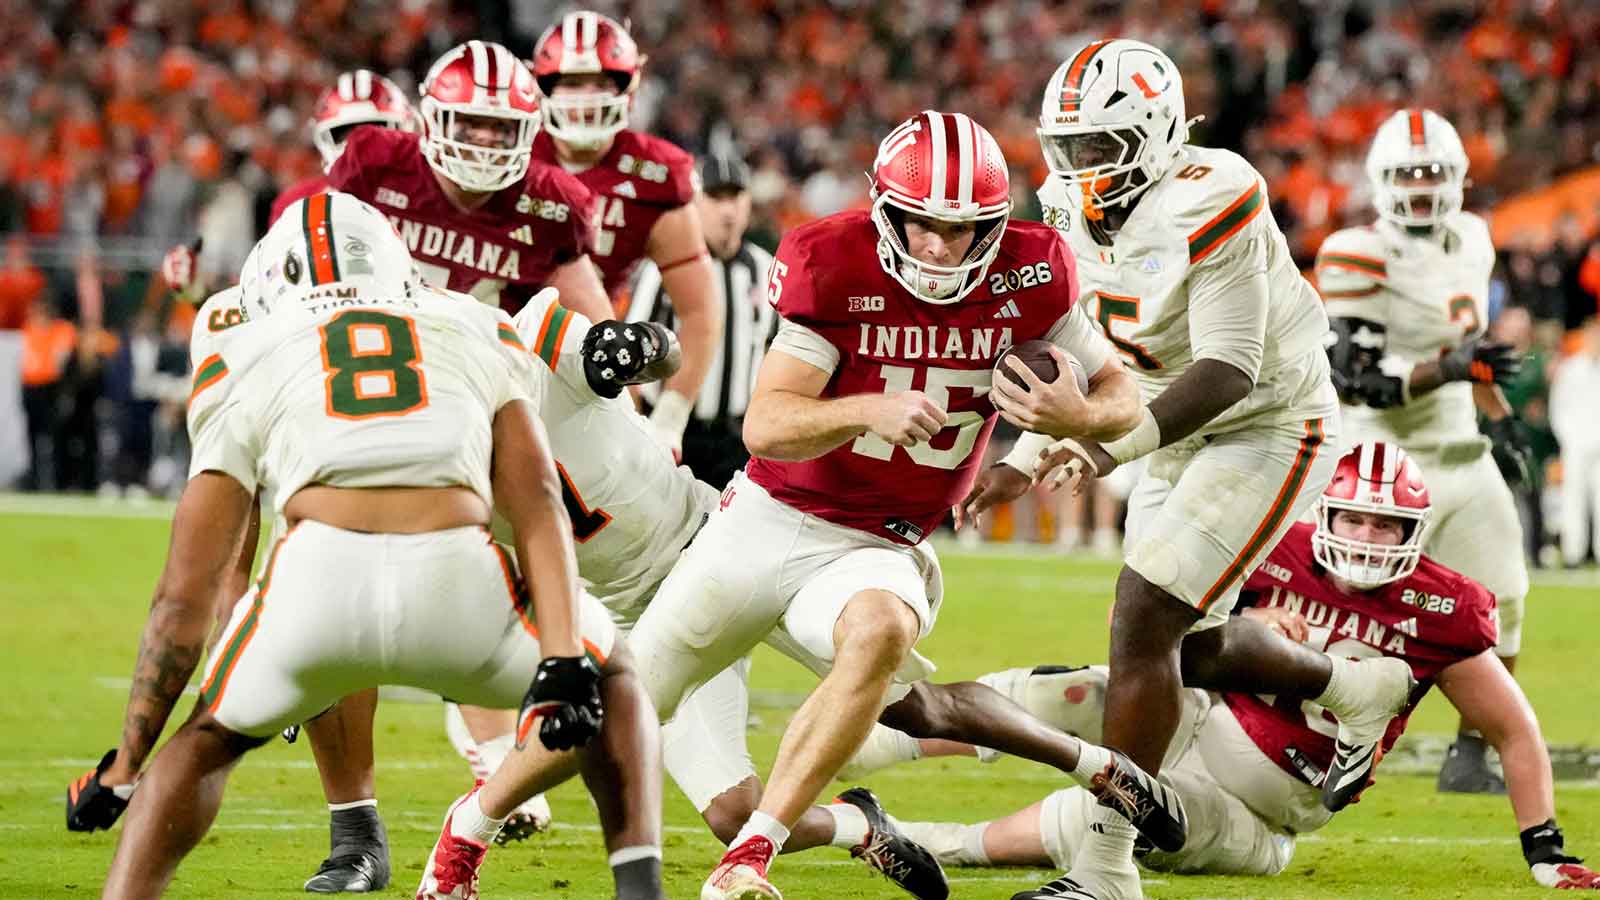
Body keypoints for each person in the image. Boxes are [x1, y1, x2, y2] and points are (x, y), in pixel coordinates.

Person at [625, 109, 1172, 900]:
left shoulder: (1031, 271)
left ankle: (1091, 766)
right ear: (885, 212)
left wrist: (1076, 419)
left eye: (962, 228)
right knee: (721, 801)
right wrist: (865, 409)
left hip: (870, 544)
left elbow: (1122, 391)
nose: (939, 248)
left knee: (918, 703)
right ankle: (859, 826)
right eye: (921, 224)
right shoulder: (832, 261)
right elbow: (768, 427)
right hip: (746, 530)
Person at [61, 192, 664, 900]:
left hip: (316, 587)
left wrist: (126, 765)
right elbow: (536, 502)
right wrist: (563, 657)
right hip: (457, 577)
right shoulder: (476, 323)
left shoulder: (241, 349)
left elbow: (181, 596)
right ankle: (640, 890)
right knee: (618, 679)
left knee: (203, 745)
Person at [1025, 39, 1415, 899]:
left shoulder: (1218, 192)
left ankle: (1105, 865)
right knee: (1191, 650)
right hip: (1170, 416)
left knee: (1141, 621)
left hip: (1269, 418)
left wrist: (1105, 445)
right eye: (1072, 144)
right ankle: (1352, 686)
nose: (1082, 165)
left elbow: (1231, 365)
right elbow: (1079, 336)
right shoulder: (1061, 201)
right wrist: (1024, 453)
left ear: (1159, 133)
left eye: (1103, 144)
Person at [880, 443, 1600, 893]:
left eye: (1388, 527)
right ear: (1328, 516)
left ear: (1417, 535)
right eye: (1355, 520)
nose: (1369, 538)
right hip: (1202, 715)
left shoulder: (1437, 606)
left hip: (1264, 810)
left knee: (1103, 819)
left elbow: (1511, 728)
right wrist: (1244, 625)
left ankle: (914, 837)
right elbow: (1145, 632)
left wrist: (1544, 848)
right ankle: (870, 735)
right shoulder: (1275, 548)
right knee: (1074, 692)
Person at [1318, 108, 1532, 794]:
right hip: (1384, 458)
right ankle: (1317, 737)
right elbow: (1360, 381)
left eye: (1434, 172)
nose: (1421, 185)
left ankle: (1473, 756)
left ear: (1460, 178)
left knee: (1505, 598)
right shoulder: (1359, 251)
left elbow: (1477, 353)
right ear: (1381, 181)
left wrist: (1500, 418)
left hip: (1461, 444)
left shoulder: (1472, 236)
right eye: (1408, 172)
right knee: (1356, 608)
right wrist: (1449, 369)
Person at [529, 11, 721, 458]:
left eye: (598, 82)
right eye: (570, 82)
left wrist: (670, 419)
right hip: (497, 343)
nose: (583, 98)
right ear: (542, 87)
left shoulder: (654, 175)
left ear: (627, 87)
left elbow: (699, 311)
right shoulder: (512, 154)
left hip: (592, 361)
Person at [328, 40, 612, 322]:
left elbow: (597, 330)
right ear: (433, 119)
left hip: (488, 362)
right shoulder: (375, 161)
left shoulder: (554, 201)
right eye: (470, 121)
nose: (485, 137)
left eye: (502, 125)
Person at [159, 69, 417, 303]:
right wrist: (198, 294)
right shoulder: (297, 204)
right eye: (345, 133)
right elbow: (261, 310)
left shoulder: (437, 190)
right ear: (323, 139)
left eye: (377, 131)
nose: (362, 145)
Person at [627, 151, 777, 488]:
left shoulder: (765, 269)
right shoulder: (664, 268)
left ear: (749, 202)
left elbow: (775, 351)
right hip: (674, 430)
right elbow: (634, 356)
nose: (727, 210)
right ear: (695, 202)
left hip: (737, 439)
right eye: (715, 197)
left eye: (735, 197)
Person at [1550, 316, 1600, 567]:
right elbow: (1558, 408)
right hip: (1576, 445)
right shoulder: (1570, 369)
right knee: (1573, 499)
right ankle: (1573, 553)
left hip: (1599, 446)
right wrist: (1569, 438)